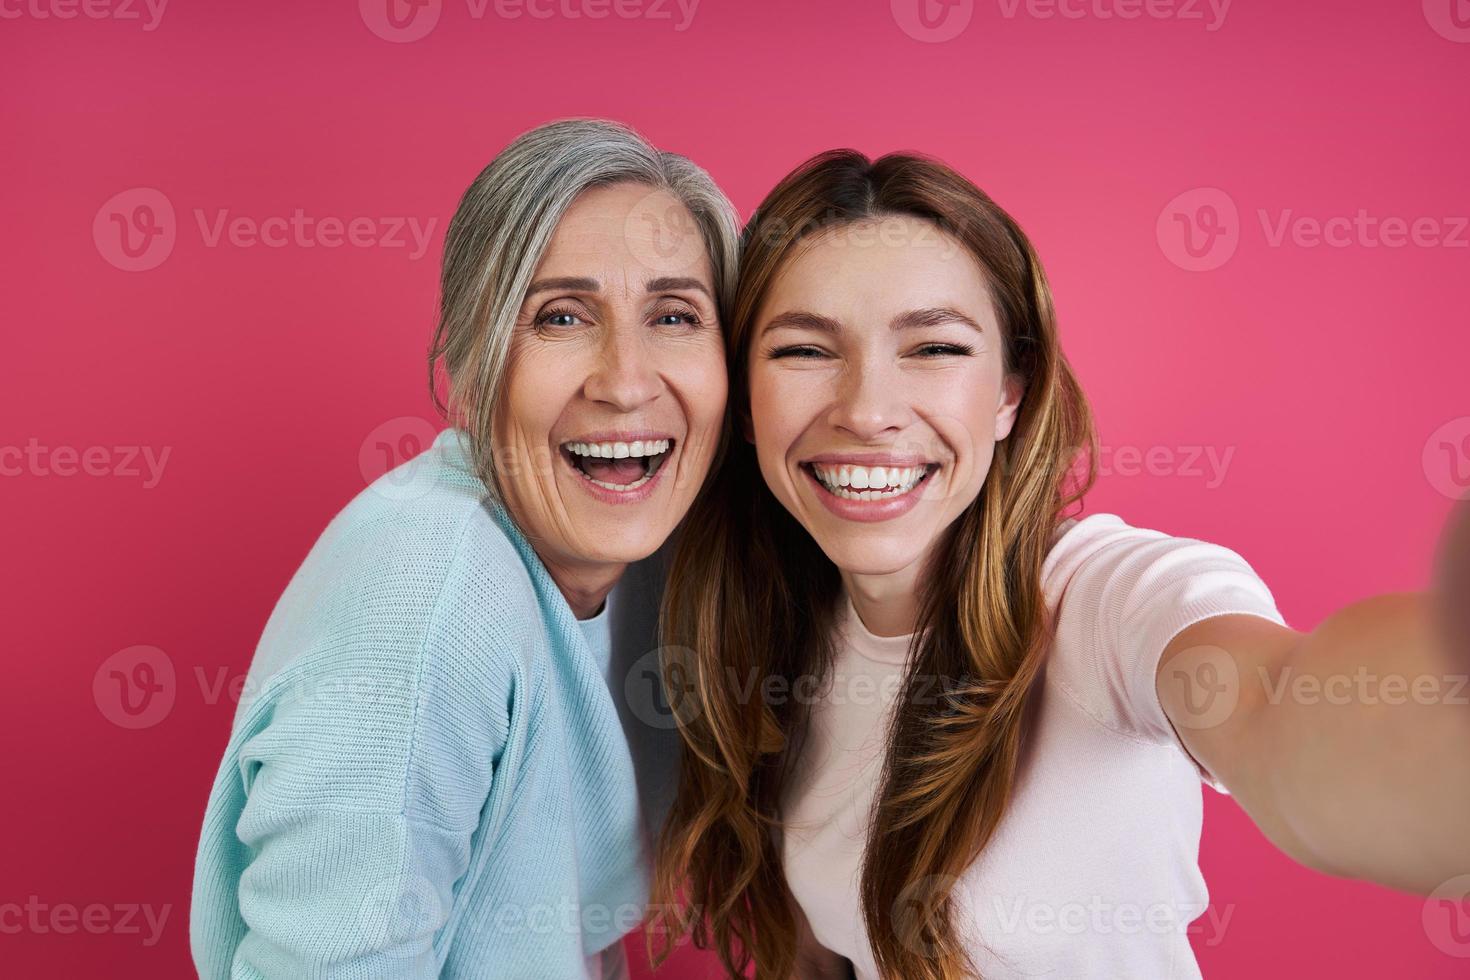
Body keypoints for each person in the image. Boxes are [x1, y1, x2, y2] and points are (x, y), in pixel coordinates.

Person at [649, 149, 1470, 980]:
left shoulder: (1106, 600)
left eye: (933, 347)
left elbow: (1281, 715)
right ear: (745, 403)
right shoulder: (768, 640)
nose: (867, 411)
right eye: (803, 352)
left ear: (1010, 393)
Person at [189, 117, 738, 979]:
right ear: (474, 373)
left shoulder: (650, 566)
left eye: (674, 315)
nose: (627, 380)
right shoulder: (426, 603)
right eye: (560, 316)